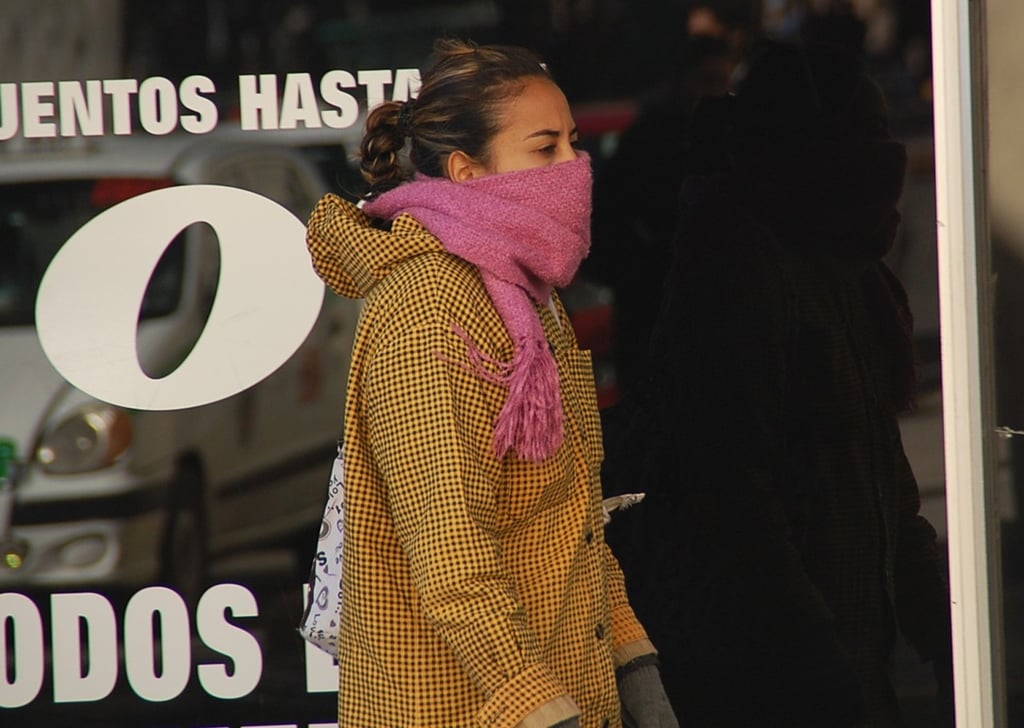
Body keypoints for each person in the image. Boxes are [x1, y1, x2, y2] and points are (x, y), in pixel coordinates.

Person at [304, 39, 677, 728]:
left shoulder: (527, 293)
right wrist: (543, 707)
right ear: (467, 170)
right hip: (470, 707)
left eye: (573, 142)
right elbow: (453, 556)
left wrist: (635, 670)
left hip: (567, 682)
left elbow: (574, 523)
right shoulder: (431, 308)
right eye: (545, 148)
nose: (575, 166)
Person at [602, 40, 953, 727]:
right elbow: (732, 495)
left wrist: (945, 627)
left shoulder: (844, 264)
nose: (885, 157)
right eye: (866, 132)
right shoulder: (742, 262)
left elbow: (884, 475)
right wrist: (816, 658)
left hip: (841, 651)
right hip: (774, 676)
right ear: (816, 143)